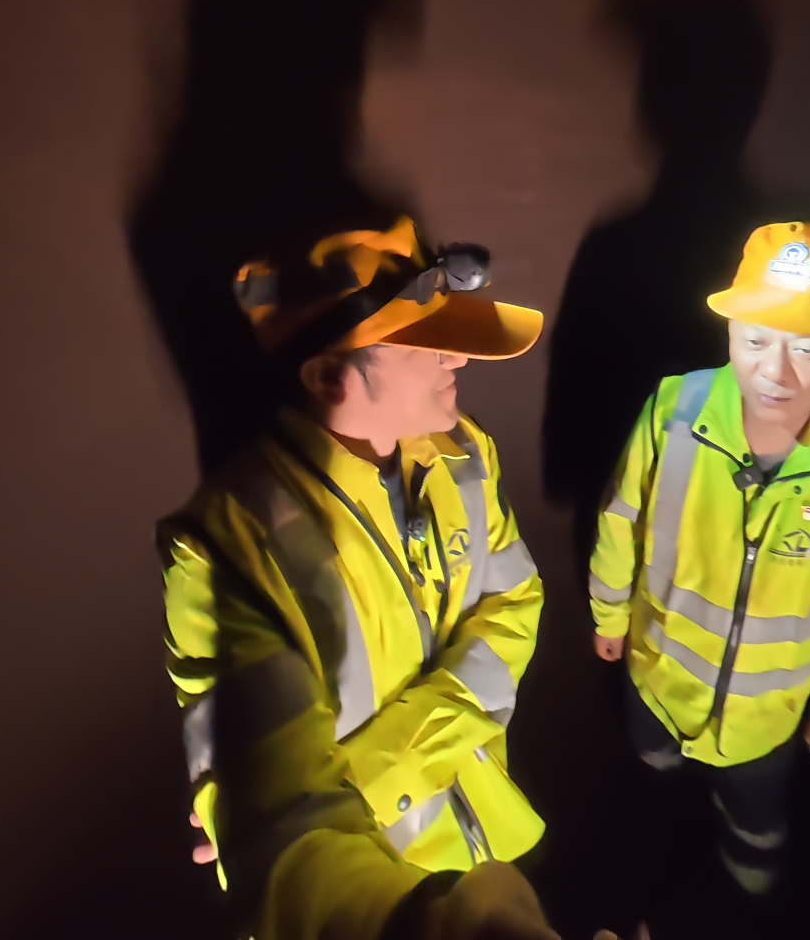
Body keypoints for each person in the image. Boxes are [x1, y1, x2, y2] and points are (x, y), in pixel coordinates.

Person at [160, 218, 565, 940]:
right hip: (374, 896)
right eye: (422, 340)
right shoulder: (225, 547)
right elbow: (284, 834)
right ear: (328, 375)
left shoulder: (465, 453)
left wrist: (364, 775)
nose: (456, 356)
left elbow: (516, 602)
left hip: (493, 843)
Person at [588, 221, 810, 900]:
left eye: (807, 348)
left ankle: (746, 895)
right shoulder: (675, 407)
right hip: (656, 679)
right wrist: (609, 612)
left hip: (770, 718)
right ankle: (655, 861)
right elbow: (622, 516)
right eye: (756, 341)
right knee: (652, 781)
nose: (775, 372)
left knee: (754, 819)